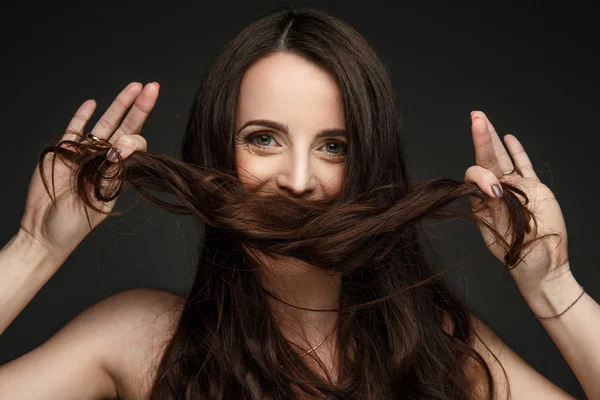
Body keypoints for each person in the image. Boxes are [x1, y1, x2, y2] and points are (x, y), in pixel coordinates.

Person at [0, 6, 596, 400]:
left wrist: (555, 285)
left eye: (335, 146)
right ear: (216, 152)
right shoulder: (137, 337)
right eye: (263, 138)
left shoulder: (441, 347)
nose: (300, 180)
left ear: (371, 167)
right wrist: (34, 248)